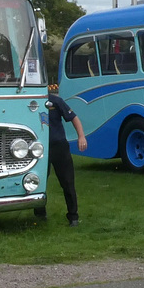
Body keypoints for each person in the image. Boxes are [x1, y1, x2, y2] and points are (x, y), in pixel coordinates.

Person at [36, 90, 88, 226]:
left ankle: (73, 217)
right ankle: (39, 213)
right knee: (38, 181)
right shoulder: (30, 101)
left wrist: (81, 136)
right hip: (39, 148)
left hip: (58, 146)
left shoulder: (56, 101)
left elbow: (73, 117)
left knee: (67, 181)